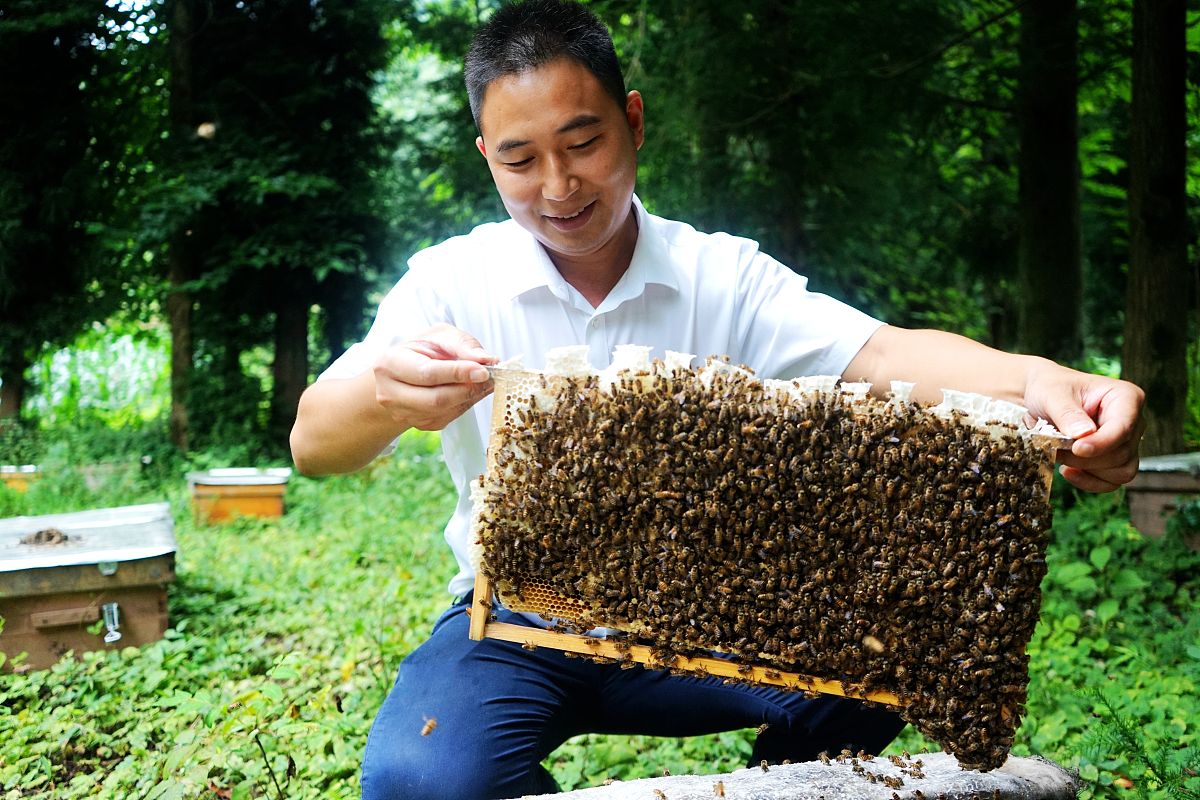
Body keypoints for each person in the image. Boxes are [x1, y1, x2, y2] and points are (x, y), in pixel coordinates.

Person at [290, 2, 1145, 797]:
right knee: (417, 779)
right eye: (520, 159)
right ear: (487, 156)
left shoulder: (725, 276)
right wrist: (386, 394)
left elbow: (879, 351)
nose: (557, 186)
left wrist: (1040, 380)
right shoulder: (448, 280)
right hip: (515, 623)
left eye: (582, 142)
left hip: (706, 625)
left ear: (632, 120)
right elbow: (313, 442)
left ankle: (791, 782)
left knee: (894, 647)